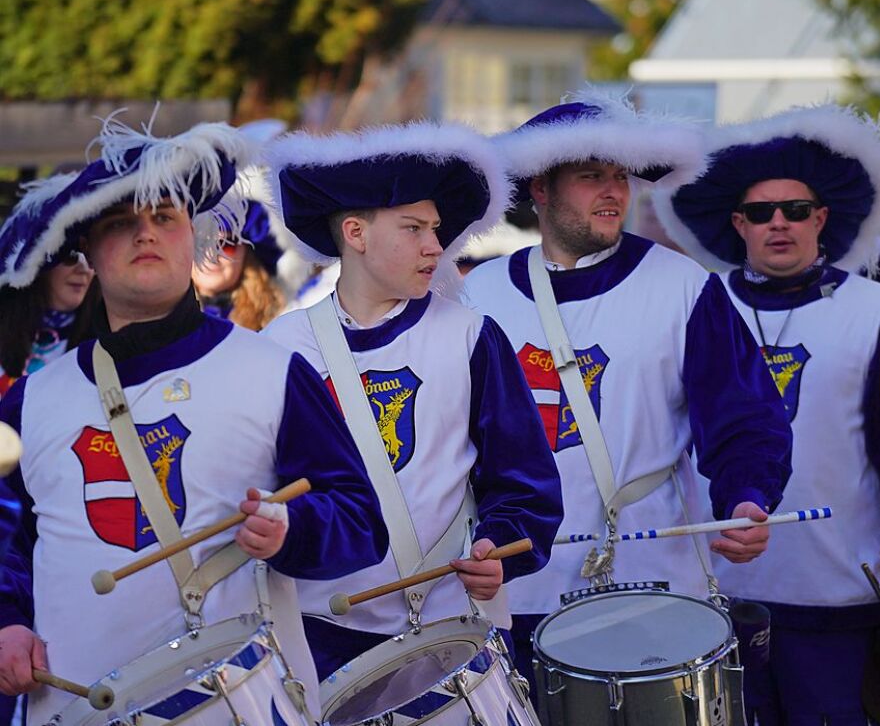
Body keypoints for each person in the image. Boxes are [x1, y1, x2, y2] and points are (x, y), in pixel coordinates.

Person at [0, 115, 387, 724]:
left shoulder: (273, 371)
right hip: (74, 705)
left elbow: (362, 520)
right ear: (90, 252)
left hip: (241, 702)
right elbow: (8, 539)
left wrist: (293, 530)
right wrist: (8, 621)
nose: (144, 235)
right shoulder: (32, 399)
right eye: (120, 224)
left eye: (163, 218)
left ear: (192, 234)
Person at [653, 103, 880, 725]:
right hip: (713, 600)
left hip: (842, 599)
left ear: (822, 219)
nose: (780, 224)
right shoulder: (693, 303)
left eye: (796, 210)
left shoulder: (877, 312)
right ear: (737, 224)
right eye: (760, 213)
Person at [460, 92, 793, 692]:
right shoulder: (478, 295)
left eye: (620, 177)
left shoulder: (682, 286)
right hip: (516, 589)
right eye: (591, 177)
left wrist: (745, 498)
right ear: (540, 187)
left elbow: (746, 420)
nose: (614, 191)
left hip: (652, 591)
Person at [261, 122, 564, 680]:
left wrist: (502, 548)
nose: (436, 246)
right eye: (414, 228)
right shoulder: (280, 348)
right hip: (323, 634)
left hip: (458, 630)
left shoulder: (472, 334)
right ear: (355, 232)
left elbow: (524, 482)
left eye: (436, 229)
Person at [0, 182, 99, 397]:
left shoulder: (107, 344)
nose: (84, 269)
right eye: (70, 257)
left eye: (90, 256)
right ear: (34, 262)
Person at [193, 169, 288, 329]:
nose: (212, 254)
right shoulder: (153, 317)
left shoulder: (282, 322)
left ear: (248, 253)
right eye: (201, 243)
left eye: (226, 244)